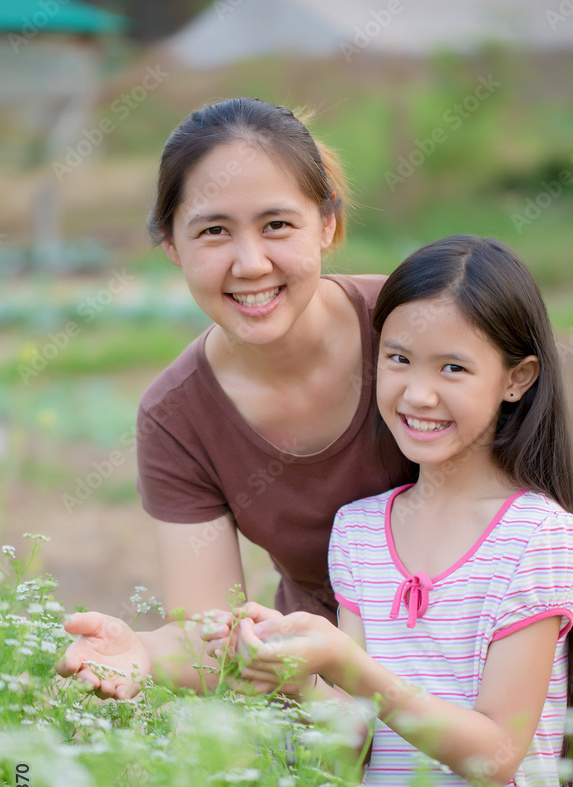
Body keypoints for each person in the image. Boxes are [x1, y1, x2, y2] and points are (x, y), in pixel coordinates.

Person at [231, 235, 573, 787]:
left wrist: (346, 662)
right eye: (397, 360)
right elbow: (353, 730)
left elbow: (495, 753)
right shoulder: (362, 529)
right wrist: (287, 668)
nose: (417, 393)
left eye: (453, 368)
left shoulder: (537, 537)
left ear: (516, 379)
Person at [57, 97, 413, 699]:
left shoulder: (413, 328)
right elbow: (209, 636)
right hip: (324, 702)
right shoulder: (177, 417)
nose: (250, 264)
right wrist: (140, 651)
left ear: (326, 223)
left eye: (277, 225)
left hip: (478, 670)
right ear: (172, 245)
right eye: (214, 231)